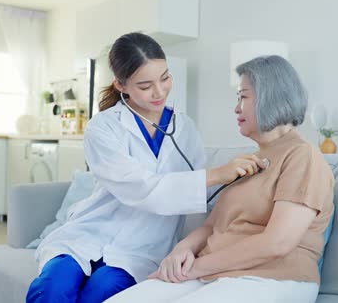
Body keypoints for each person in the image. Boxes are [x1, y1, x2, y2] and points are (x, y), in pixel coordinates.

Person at [26, 32, 266, 303]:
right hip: (89, 233)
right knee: (52, 288)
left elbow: (200, 203)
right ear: (121, 85)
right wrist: (216, 173)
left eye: (165, 78)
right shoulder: (103, 127)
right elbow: (140, 187)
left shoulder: (184, 128)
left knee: (101, 292)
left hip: (142, 247)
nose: (160, 92)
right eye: (145, 85)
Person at [107, 55, 335, 303]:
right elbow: (210, 227)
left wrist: (194, 268)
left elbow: (277, 242)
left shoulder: (302, 155)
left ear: (270, 97)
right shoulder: (248, 161)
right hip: (215, 274)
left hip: (272, 277)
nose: (236, 108)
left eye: (243, 97)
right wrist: (180, 251)